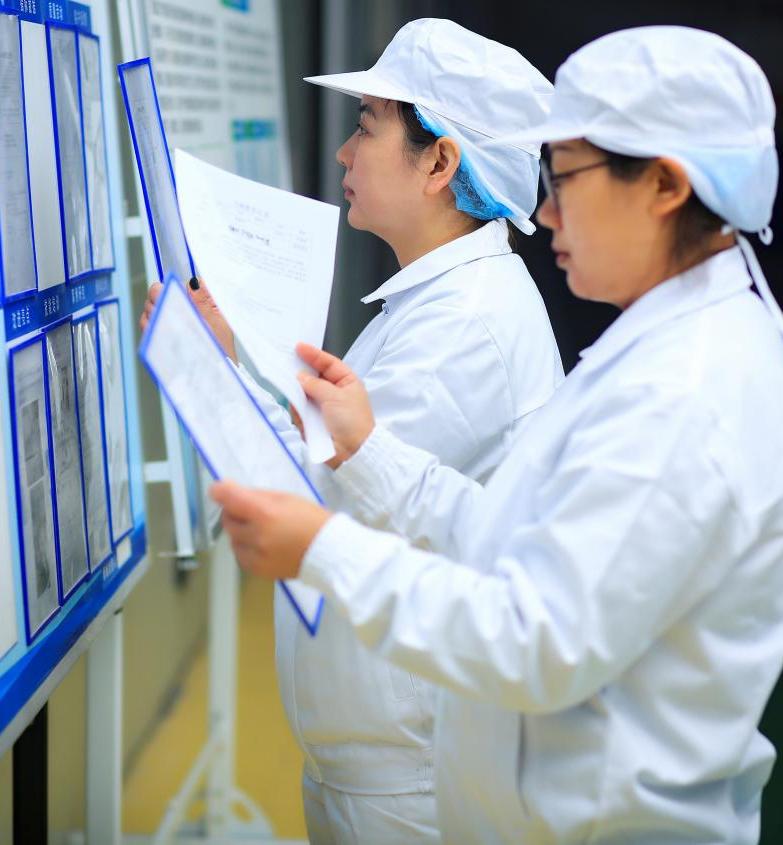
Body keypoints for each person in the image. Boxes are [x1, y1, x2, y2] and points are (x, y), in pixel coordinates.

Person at [209, 26, 783, 843]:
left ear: (664, 186)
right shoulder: (659, 348)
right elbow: (514, 534)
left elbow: (534, 639)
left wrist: (322, 548)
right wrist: (370, 450)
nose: (543, 209)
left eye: (565, 177)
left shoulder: (682, 392)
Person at [140, 19, 562, 843]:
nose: (343, 152)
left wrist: (209, 368)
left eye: (367, 126)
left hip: (407, 777)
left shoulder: (464, 327)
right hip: (385, 758)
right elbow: (333, 462)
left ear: (439, 163)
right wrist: (229, 364)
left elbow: (304, 501)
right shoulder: (437, 304)